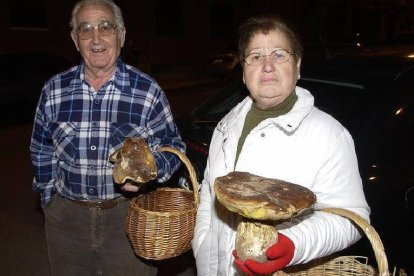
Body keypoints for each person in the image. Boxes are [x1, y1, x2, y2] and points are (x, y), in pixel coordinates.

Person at [192, 14, 370, 276]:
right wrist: (202, 245)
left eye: (279, 55)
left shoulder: (329, 134)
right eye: (255, 56)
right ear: (243, 72)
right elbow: (210, 194)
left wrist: (293, 244)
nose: (267, 66)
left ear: (297, 65)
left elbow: (352, 219)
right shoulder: (226, 124)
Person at [29, 0, 185, 275]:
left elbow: (173, 147)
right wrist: (48, 199)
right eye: (85, 29)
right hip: (66, 219)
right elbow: (42, 149)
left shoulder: (148, 91)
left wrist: (149, 171)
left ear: (121, 35)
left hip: (126, 217)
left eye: (106, 27)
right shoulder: (53, 90)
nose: (96, 38)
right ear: (75, 40)